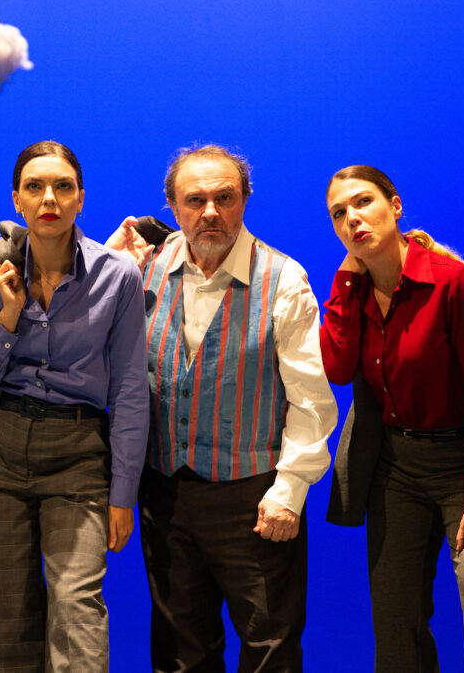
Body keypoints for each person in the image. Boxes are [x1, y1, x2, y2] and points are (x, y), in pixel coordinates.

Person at [113, 144, 338, 671]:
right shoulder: (141, 267)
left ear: (245, 201)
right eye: (195, 200)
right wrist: (111, 255)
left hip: (254, 498)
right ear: (173, 206)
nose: (210, 212)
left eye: (225, 198)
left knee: (270, 650)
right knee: (179, 653)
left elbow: (310, 399)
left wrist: (289, 491)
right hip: (165, 493)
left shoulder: (283, 279)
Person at [319, 165, 464, 672]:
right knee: (396, 619)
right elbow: (338, 368)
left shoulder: (453, 282)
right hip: (396, 469)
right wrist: (345, 279)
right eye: (339, 214)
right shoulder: (354, 291)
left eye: (363, 202)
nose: (352, 218)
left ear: (395, 206)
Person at [0, 141, 149, 671]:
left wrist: (123, 493)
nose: (49, 198)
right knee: (7, 621)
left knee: (76, 608)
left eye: (63, 187)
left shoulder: (118, 275)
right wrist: (9, 315)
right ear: (16, 199)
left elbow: (130, 389)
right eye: (35, 187)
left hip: (78, 453)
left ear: (80, 199)